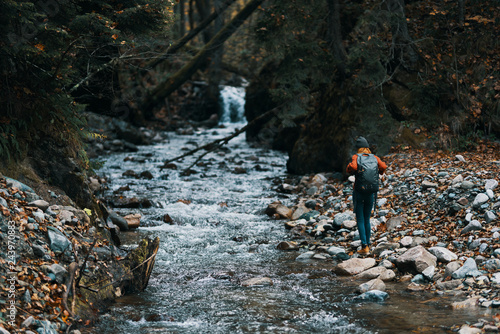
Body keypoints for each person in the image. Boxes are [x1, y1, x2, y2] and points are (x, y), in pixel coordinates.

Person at [346, 136, 387, 255]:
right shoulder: (374, 157)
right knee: (367, 218)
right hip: (371, 191)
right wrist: (380, 173)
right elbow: (383, 167)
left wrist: (349, 168)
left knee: (360, 219)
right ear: (367, 147)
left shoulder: (356, 157)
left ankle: (364, 246)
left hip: (359, 191)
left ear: (358, 148)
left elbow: (352, 167)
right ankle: (368, 244)